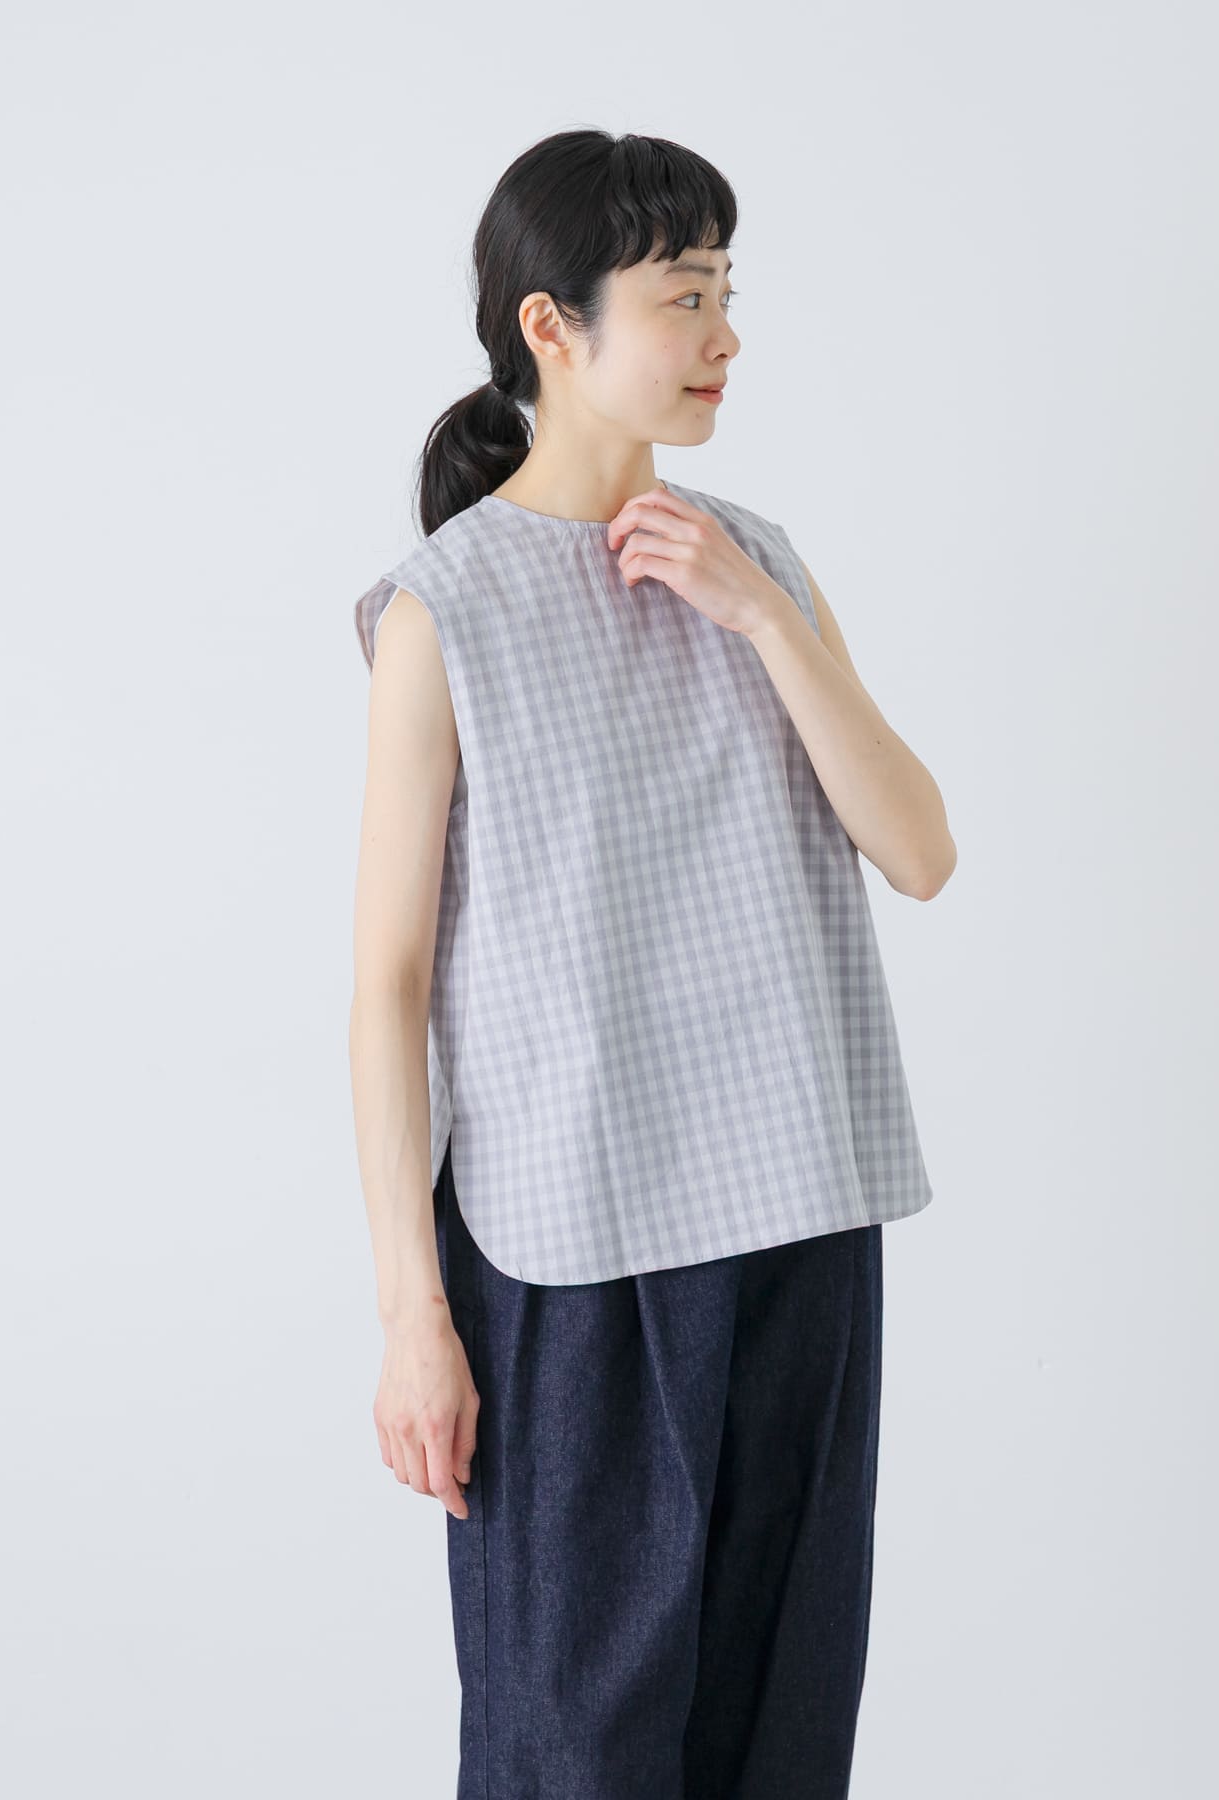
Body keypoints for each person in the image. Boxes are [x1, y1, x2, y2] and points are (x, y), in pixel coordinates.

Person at [347, 127, 955, 1800]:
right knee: (574, 1754)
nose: (724, 337)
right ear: (552, 327)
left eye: (727, 293)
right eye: (686, 298)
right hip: (569, 1263)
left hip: (800, 1223)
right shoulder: (444, 610)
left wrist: (756, 614)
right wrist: (412, 1316)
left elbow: (919, 851)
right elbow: (386, 984)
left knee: (780, 1742)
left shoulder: (758, 560)